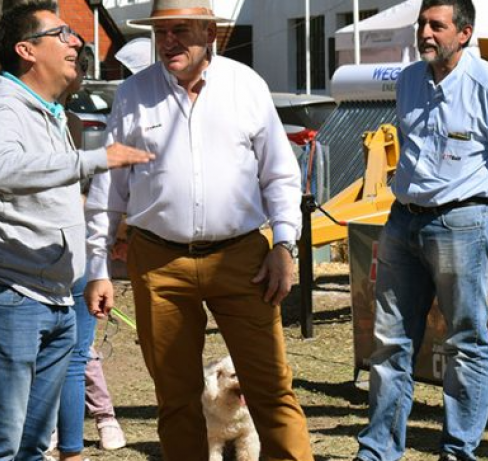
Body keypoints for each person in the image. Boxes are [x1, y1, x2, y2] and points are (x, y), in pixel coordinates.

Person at [83, 0, 314, 459]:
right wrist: (97, 265)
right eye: (161, 32)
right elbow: (108, 188)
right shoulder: (133, 92)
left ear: (210, 33)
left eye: (180, 31)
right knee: (177, 398)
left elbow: (280, 174)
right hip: (159, 262)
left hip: (243, 259)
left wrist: (285, 245)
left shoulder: (245, 85)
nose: (168, 42)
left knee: (271, 389)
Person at [0, 2, 153, 459]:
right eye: (62, 34)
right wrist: (98, 158)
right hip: (6, 298)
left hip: (53, 297)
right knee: (0, 447)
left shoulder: (51, 112)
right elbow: (3, 171)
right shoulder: (2, 105)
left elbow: (46, 195)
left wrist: (109, 230)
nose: (76, 41)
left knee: (34, 447)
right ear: (27, 50)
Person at [353, 1, 488, 460]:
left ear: (465, 33)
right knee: (390, 342)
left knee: (466, 342)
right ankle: (378, 451)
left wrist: (486, 222)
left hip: (462, 222)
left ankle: (458, 450)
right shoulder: (410, 80)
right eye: (422, 24)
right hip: (403, 220)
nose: (426, 34)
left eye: (438, 25)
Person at [50, 48, 126, 461]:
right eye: (76, 64)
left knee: (75, 353)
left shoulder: (71, 120)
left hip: (72, 247)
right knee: (69, 352)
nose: (80, 72)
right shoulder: (49, 118)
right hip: (55, 249)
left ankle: (90, 429)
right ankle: (77, 433)